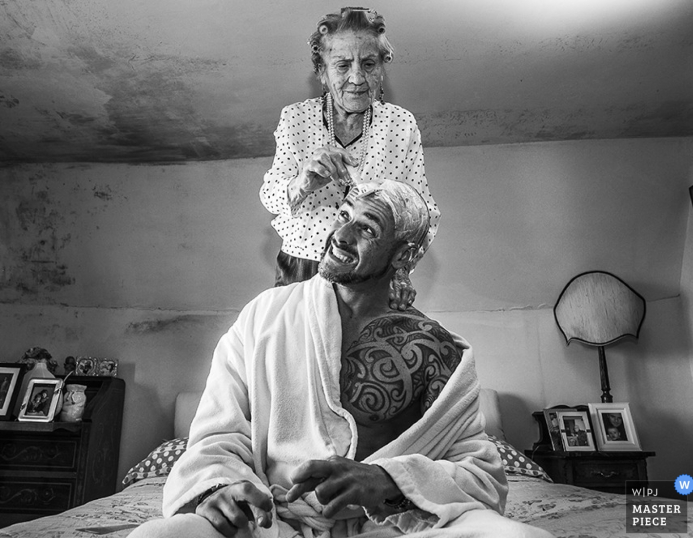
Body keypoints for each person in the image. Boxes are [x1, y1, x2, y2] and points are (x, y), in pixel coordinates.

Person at [130, 181, 551, 538]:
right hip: (272, 522)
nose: (341, 234)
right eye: (343, 215)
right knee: (157, 536)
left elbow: (480, 475)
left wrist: (389, 481)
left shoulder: (435, 349)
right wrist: (219, 488)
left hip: (391, 525)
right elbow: (216, 434)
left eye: (365, 228)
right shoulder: (265, 315)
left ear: (402, 255)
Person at [260, 7, 441, 310]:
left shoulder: (400, 124)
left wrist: (401, 271)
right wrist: (302, 182)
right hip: (303, 266)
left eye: (369, 64)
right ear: (322, 71)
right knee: (295, 354)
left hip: (371, 271)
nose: (357, 78)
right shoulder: (296, 118)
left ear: (381, 68)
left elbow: (423, 213)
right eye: (342, 65)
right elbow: (270, 196)